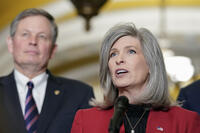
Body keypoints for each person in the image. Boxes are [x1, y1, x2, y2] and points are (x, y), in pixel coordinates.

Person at [71, 23, 200, 133]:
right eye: (113, 54)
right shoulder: (85, 121)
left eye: (131, 51)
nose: (119, 60)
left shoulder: (185, 121)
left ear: (150, 64)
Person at [0, 8, 94, 133]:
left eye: (42, 36)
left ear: (53, 50)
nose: (33, 41)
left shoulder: (80, 94)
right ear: (11, 44)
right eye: (25, 34)